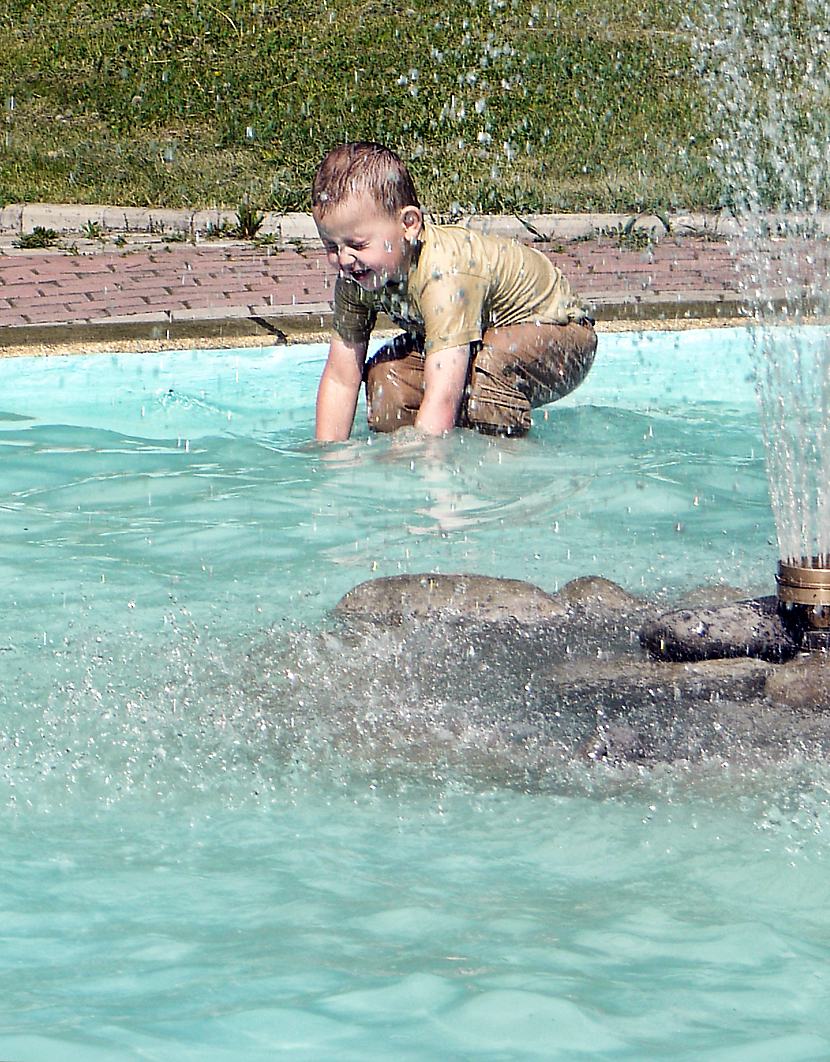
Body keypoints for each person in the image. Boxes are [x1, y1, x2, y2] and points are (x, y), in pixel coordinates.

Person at [311, 142, 597, 440]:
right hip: (488, 337)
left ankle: (507, 466)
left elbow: (443, 394)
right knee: (388, 379)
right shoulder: (354, 279)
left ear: (408, 224)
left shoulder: (443, 273)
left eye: (357, 245)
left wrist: (428, 467)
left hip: (563, 336)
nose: (343, 259)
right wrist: (329, 461)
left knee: (489, 371)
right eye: (331, 246)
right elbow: (341, 376)